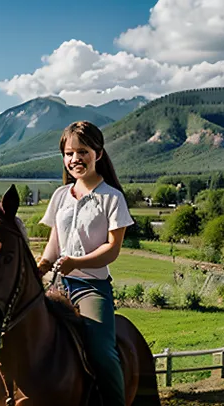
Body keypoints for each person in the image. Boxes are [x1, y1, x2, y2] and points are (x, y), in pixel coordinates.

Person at [37, 120, 133, 406]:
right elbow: (53, 246)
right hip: (56, 284)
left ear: (98, 154)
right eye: (68, 153)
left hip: (91, 288)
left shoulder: (112, 199)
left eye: (83, 151)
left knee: (102, 352)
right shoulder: (59, 197)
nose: (75, 159)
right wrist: (39, 267)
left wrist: (77, 261)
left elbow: (112, 249)